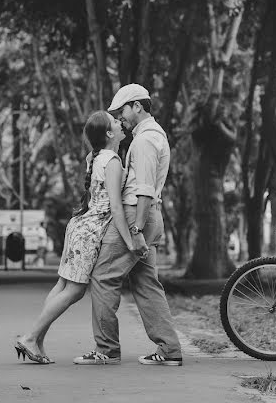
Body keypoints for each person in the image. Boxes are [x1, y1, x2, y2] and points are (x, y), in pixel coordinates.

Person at [73, 83, 183, 366]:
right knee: (146, 283)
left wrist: (135, 230)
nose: (120, 117)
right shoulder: (151, 135)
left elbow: (144, 189)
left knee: (103, 276)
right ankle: (169, 349)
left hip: (138, 214)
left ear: (137, 106)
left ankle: (107, 350)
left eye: (122, 110)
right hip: (148, 216)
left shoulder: (145, 140)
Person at [14, 110, 126, 364]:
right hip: (89, 231)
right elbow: (116, 207)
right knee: (74, 291)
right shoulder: (112, 161)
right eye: (116, 122)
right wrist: (130, 240)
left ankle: (37, 340)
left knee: (63, 286)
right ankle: (30, 337)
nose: (121, 123)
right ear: (109, 133)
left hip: (78, 226)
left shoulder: (95, 156)